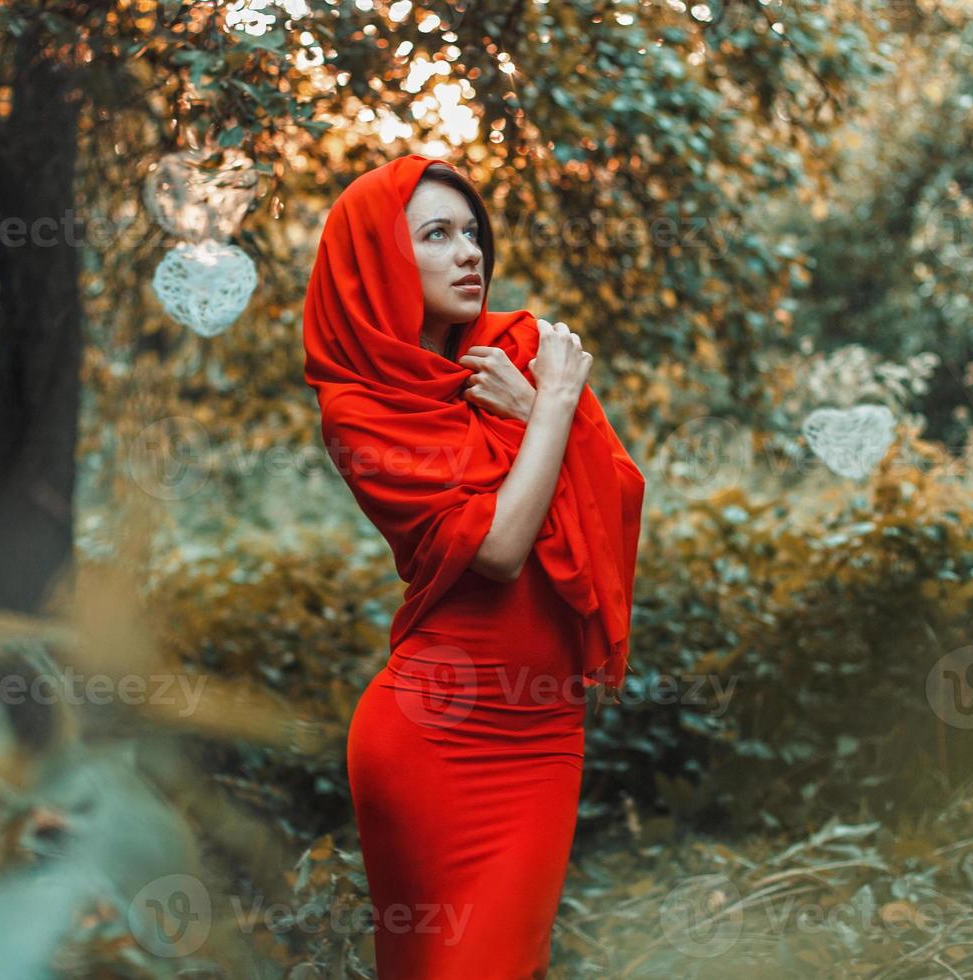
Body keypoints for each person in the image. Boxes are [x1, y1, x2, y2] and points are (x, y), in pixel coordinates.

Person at [302, 153, 646, 978]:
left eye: (473, 233)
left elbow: (621, 494)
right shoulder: (359, 408)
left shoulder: (521, 352)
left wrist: (533, 407)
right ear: (378, 262)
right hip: (431, 737)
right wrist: (552, 409)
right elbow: (496, 549)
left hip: (545, 733)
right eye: (436, 235)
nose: (470, 254)